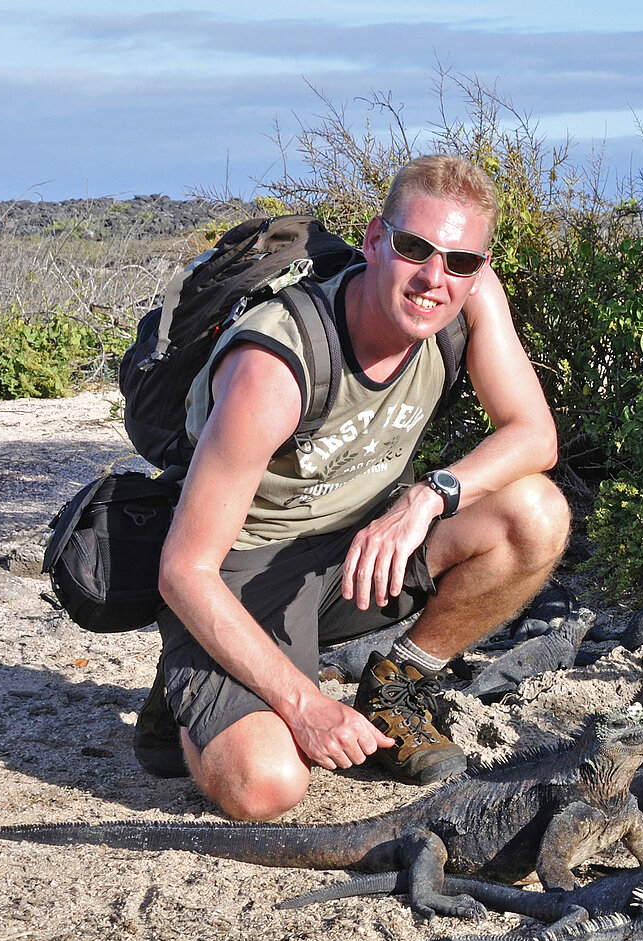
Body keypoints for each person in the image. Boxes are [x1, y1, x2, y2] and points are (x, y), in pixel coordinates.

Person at [139, 154, 568, 821]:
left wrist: (426, 496)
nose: (435, 277)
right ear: (374, 240)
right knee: (268, 784)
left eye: (460, 260)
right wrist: (305, 705)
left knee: (537, 512)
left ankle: (397, 685)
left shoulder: (471, 298)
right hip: (238, 575)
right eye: (414, 248)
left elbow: (535, 436)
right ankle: (191, 690)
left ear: (481, 267)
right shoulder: (276, 368)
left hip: (356, 551)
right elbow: (184, 569)